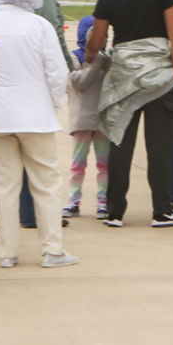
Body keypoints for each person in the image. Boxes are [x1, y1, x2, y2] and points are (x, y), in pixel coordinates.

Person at [0, 0, 76, 268]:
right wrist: (54, 103)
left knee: (3, 185)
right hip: (34, 116)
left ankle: (7, 253)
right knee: (46, 182)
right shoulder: (38, 25)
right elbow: (57, 72)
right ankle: (52, 250)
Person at [85, 0, 173, 228]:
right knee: (160, 147)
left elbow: (97, 39)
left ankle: (115, 211)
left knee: (119, 142)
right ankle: (163, 210)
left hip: (125, 80)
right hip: (161, 79)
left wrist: (91, 56)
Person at [63, 15, 108, 219]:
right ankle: (73, 201)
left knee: (104, 165)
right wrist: (96, 63)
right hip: (81, 119)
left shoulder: (109, 58)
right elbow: (78, 83)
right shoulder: (75, 57)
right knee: (77, 164)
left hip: (103, 120)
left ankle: (103, 201)